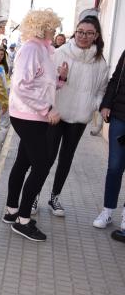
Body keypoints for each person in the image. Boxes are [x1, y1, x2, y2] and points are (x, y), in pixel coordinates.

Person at [27, 16, 107, 217]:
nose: (83, 36)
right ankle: (34, 195)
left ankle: (55, 197)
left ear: (96, 36)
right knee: (47, 157)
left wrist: (93, 105)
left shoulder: (99, 61)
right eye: (80, 31)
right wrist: (59, 78)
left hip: (79, 117)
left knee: (66, 158)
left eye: (89, 33)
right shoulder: (60, 52)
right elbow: (45, 81)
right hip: (57, 115)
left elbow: (101, 90)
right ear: (75, 31)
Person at [3, 9, 64, 242]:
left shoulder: (43, 49)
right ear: (42, 27)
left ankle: (12, 212)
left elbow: (40, 84)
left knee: (24, 162)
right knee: (41, 165)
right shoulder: (32, 48)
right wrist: (46, 109)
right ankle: (23, 220)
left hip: (31, 115)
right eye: (53, 26)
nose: (55, 30)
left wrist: (60, 81)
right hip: (28, 115)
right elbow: (21, 86)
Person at [94, 49, 125, 232]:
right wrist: (106, 104)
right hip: (120, 118)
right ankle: (107, 211)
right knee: (114, 167)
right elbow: (115, 80)